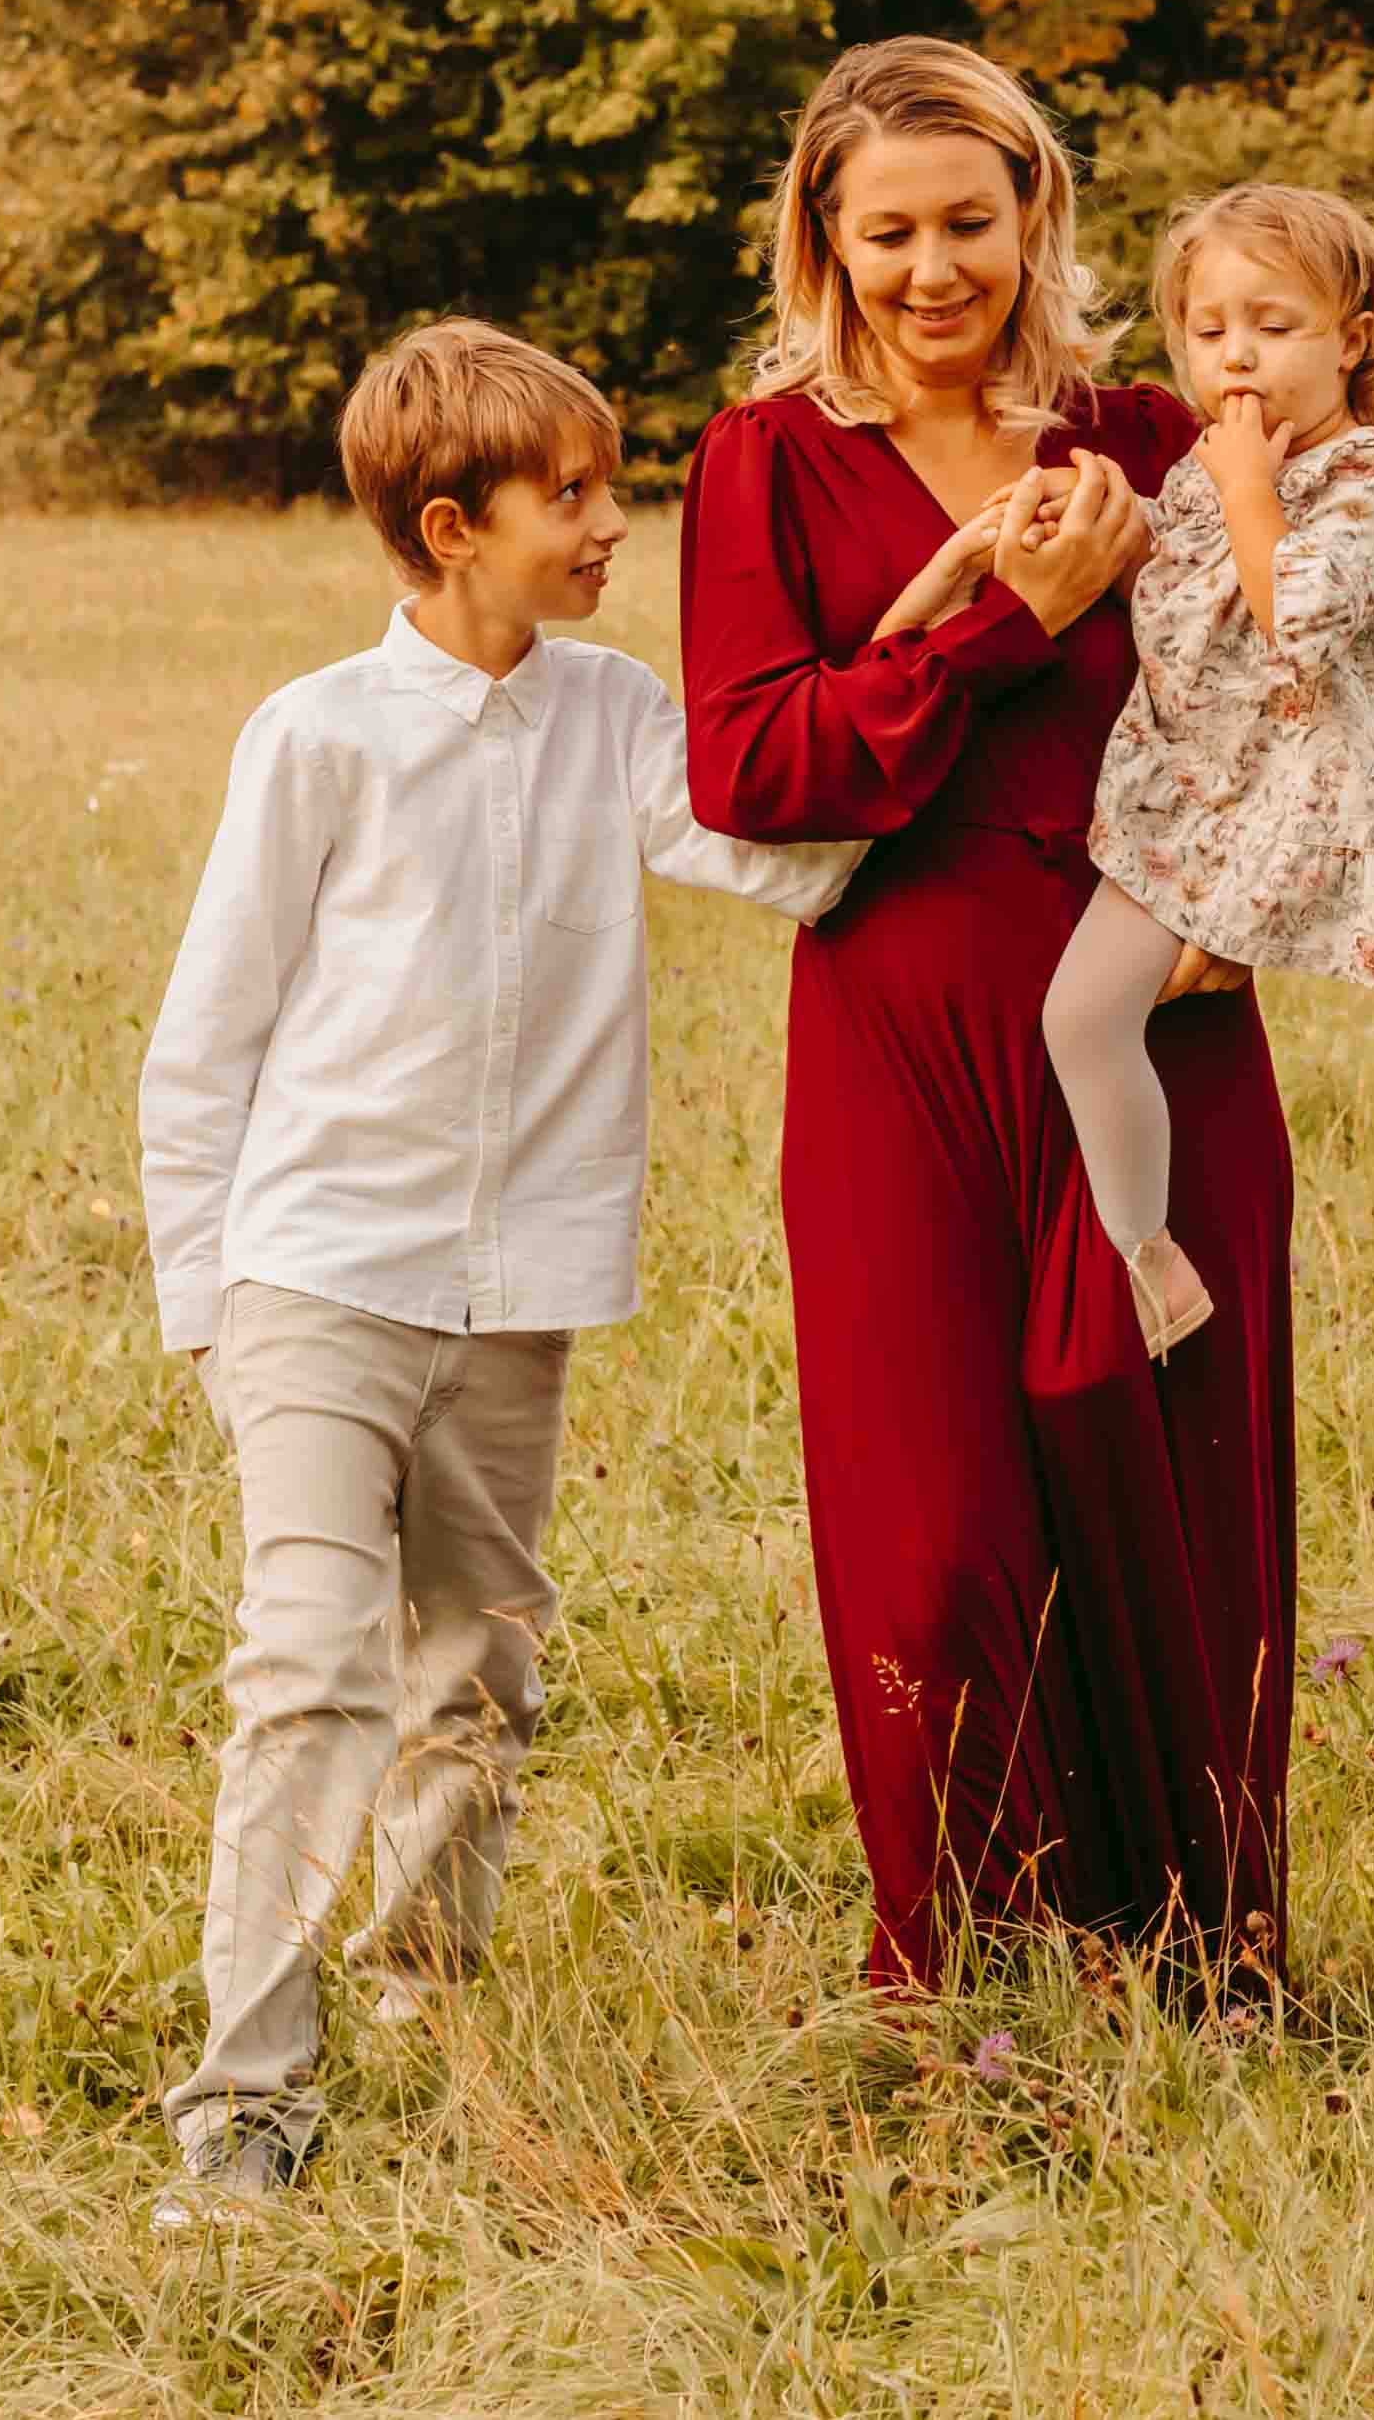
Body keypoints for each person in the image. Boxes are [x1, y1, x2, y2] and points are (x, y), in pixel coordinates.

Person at [133, 318, 862, 2208]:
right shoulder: (314, 734)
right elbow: (204, 1038)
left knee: (476, 1667)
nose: (613, 522)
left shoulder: (615, 712)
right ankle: (244, 2102)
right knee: (308, 1669)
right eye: (575, 495)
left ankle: (421, 1994)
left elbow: (786, 859)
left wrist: (952, 627)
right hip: (312, 1272)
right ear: (452, 524)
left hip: (519, 1286)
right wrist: (203, 1303)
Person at [678, 36, 1298, 2003]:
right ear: (823, 240)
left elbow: (1309, 693)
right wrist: (992, 628)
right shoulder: (763, 459)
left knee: (1171, 1462)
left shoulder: (1141, 429)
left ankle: (1207, 1936)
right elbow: (751, 760)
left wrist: (1251, 904)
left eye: (969, 218)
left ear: (1033, 209)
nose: (933, 265)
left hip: (1156, 1013)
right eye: (888, 231)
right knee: (929, 1498)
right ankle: (958, 1958)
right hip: (905, 1022)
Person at [1033, 188, 1374, 1362]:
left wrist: (1242, 487)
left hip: (1295, 797)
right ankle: (1142, 1249)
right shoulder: (1211, 466)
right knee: (1081, 1015)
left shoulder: (1365, 476)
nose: (1235, 354)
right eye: (1207, 327)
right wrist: (1099, 509)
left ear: (1356, 334)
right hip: (1199, 786)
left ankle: (1144, 1250)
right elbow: (1186, 573)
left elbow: (1298, 615)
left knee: (1092, 1007)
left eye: (1272, 325)